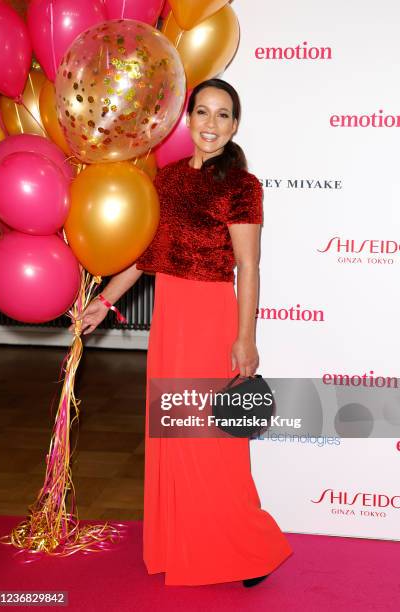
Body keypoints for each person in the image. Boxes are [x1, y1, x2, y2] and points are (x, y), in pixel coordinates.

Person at [74, 78, 293, 587]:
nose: (211, 125)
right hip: (171, 319)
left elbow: (248, 266)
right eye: (202, 113)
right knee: (173, 437)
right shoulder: (164, 181)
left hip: (212, 315)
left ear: (235, 125)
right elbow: (142, 259)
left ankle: (248, 548)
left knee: (213, 441)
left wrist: (246, 338)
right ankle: (181, 543)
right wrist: (102, 303)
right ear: (187, 119)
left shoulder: (242, 186)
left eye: (223, 115)